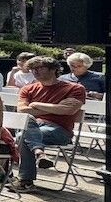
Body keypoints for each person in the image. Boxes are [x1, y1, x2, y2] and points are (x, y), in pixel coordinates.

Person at [8, 57, 86, 193]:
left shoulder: (75, 88)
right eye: (33, 69)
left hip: (59, 130)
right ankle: (39, 153)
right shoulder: (28, 89)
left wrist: (36, 105)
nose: (35, 71)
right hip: (32, 124)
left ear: (54, 69)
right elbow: (22, 110)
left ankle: (26, 180)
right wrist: (56, 107)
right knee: (27, 122)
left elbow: (69, 110)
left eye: (39, 68)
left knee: (22, 135)